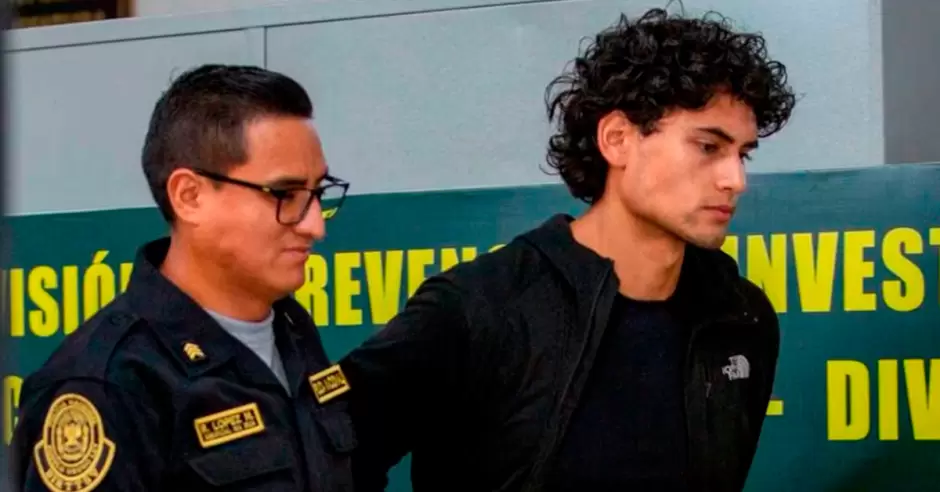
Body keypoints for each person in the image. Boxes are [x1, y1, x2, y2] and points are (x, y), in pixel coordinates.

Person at [340, 7, 796, 492]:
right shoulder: (478, 308)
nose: (735, 180)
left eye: (742, 154)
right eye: (708, 147)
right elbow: (323, 455)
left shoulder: (739, 318)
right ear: (617, 140)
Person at [9, 64, 356, 491]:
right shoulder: (108, 384)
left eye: (318, 193)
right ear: (189, 197)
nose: (315, 226)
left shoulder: (293, 331)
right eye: (285, 195)